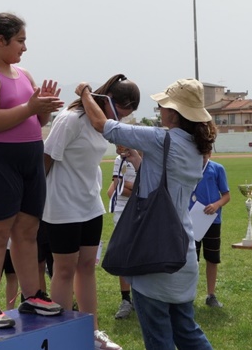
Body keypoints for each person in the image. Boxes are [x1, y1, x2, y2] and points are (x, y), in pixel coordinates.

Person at [77, 78, 216, 350]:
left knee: (159, 340)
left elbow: (103, 125)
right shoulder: (196, 148)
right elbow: (161, 179)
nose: (160, 109)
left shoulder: (160, 138)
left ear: (174, 114)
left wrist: (84, 92)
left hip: (153, 254)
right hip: (182, 253)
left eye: (163, 105)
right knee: (187, 332)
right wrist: (136, 158)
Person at [0, 12, 64, 329]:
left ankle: (32, 295)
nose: (23, 48)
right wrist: (31, 107)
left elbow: (34, 120)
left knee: (27, 231)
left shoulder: (23, 74)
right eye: (19, 41)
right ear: (0, 40)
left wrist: (43, 109)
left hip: (30, 156)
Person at [43, 74, 140, 350]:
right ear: (106, 99)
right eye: (119, 113)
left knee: (87, 268)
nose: (119, 120)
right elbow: (46, 158)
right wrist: (36, 202)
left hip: (90, 205)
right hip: (62, 205)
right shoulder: (71, 119)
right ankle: (62, 337)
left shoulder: (105, 125)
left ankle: (91, 332)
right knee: (63, 270)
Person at [105, 144, 142, 319]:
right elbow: (117, 187)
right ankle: (126, 299)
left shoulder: (147, 158)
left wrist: (128, 186)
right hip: (121, 211)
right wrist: (137, 187)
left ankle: (141, 298)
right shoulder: (120, 160)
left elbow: (149, 187)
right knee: (123, 255)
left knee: (141, 254)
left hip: (142, 210)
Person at [190, 151, 230, 308]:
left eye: (206, 150)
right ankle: (188, 295)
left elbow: (226, 195)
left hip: (211, 220)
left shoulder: (217, 168)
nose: (203, 154)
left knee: (212, 258)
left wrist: (216, 205)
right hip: (190, 220)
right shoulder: (188, 167)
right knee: (191, 260)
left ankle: (211, 294)